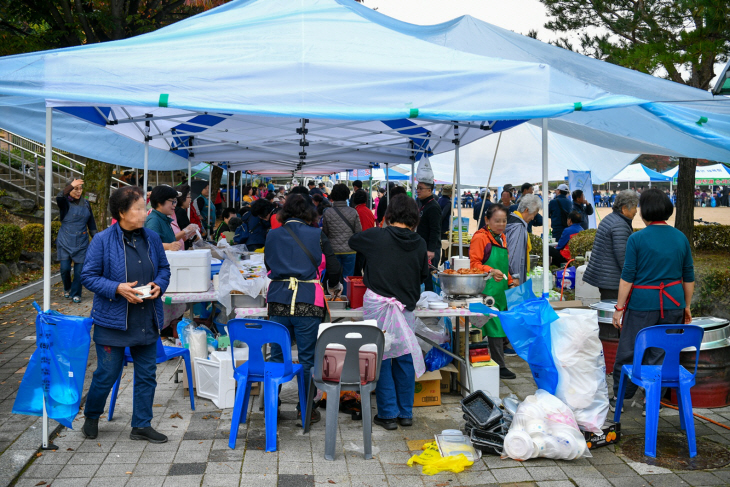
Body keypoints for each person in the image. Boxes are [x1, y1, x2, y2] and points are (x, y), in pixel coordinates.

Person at [80, 186, 171, 443]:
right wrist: (116, 288)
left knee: (147, 375)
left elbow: (164, 269)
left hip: (146, 317)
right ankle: (92, 414)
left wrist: (159, 285)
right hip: (113, 320)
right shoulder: (102, 240)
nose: (145, 213)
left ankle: (141, 424)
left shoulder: (151, 238)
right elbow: (88, 276)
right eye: (139, 208)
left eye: (145, 208)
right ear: (121, 212)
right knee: (106, 374)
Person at [609, 188, 694, 412]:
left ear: (645, 212)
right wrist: (687, 306)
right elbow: (688, 276)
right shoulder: (680, 237)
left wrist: (619, 308)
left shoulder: (637, 238)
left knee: (630, 349)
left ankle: (621, 398)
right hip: (674, 303)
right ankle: (652, 399)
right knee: (662, 351)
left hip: (641, 304)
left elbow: (627, 277)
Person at [349, 194, 429, 430]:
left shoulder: (376, 236)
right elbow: (423, 274)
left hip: (378, 305)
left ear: (388, 214)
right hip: (405, 306)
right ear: (414, 216)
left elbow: (354, 241)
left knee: (381, 357)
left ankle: (387, 414)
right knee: (403, 357)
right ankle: (405, 413)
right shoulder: (420, 242)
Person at [265, 194, 342, 424]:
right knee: (308, 359)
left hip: (278, 301)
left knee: (277, 356)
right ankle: (305, 409)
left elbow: (268, 265)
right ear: (309, 212)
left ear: (284, 212)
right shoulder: (317, 234)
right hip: (308, 302)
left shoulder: (272, 234)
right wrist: (332, 285)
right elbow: (335, 267)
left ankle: (273, 407)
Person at [470, 204, 516, 379]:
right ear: (487, 220)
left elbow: (505, 266)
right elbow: (473, 264)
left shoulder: (502, 237)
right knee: (492, 328)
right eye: (497, 221)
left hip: (501, 290)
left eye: (504, 221)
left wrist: (510, 282)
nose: (501, 224)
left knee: (499, 326)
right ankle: (498, 365)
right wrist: (490, 270)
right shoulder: (481, 237)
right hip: (485, 290)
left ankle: (490, 362)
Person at [583, 190, 639, 300]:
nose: (636, 211)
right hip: (612, 280)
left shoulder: (611, 218)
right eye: (634, 207)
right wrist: (633, 278)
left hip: (606, 277)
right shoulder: (620, 225)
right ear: (623, 208)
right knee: (613, 313)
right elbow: (623, 257)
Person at [56, 178, 98, 303]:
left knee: (79, 271)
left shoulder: (86, 203)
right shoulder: (64, 203)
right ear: (69, 189)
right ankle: (67, 288)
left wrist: (96, 238)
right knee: (65, 269)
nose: (79, 191)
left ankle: (76, 293)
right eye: (75, 189)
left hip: (81, 241)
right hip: (65, 240)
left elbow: (91, 223)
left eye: (80, 189)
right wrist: (71, 185)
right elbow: (59, 197)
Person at [322, 184, 362, 291]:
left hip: (332, 250)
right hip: (350, 250)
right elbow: (358, 231)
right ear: (347, 195)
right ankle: (346, 298)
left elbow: (325, 232)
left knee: (334, 275)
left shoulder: (327, 212)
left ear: (333, 195)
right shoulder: (353, 212)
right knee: (347, 277)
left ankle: (335, 298)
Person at [505, 194, 542, 285]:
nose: (533, 218)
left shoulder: (511, 219)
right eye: (534, 214)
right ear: (526, 210)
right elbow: (514, 253)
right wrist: (515, 276)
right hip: (513, 276)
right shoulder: (519, 227)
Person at [144, 186, 192, 251]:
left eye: (175, 201)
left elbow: (169, 239)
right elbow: (151, 244)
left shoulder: (164, 218)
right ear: (160, 202)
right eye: (173, 201)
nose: (174, 205)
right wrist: (168, 246)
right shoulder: (154, 220)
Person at [415, 181, 442, 291]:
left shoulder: (433, 206)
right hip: (423, 247)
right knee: (423, 278)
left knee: (429, 280)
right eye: (417, 188)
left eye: (421, 188)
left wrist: (431, 250)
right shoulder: (423, 204)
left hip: (431, 249)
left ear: (429, 190)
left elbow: (435, 230)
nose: (418, 190)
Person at [352, 189, 375, 276]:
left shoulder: (356, 212)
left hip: (360, 244)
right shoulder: (368, 211)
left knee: (357, 271)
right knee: (367, 271)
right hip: (370, 243)